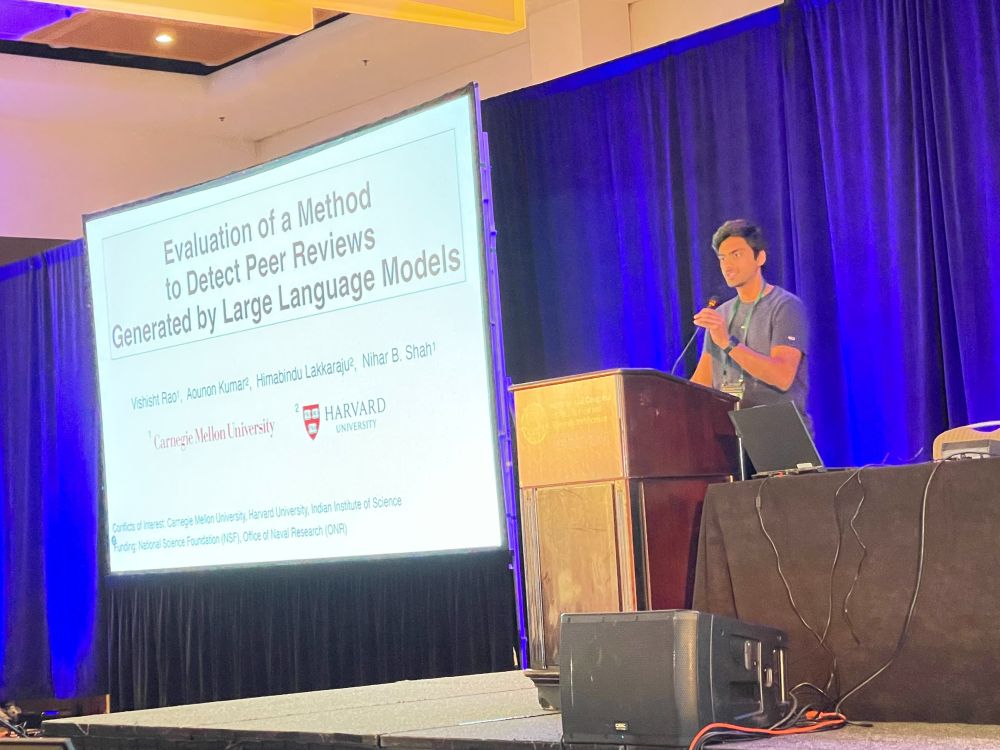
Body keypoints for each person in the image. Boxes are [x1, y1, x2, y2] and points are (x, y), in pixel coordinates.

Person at [690, 219, 810, 425]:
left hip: (779, 429)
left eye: (736, 255)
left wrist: (728, 343)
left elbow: (782, 377)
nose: (727, 265)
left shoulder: (785, 306)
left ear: (760, 257)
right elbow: (701, 383)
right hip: (729, 427)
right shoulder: (720, 314)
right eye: (722, 258)